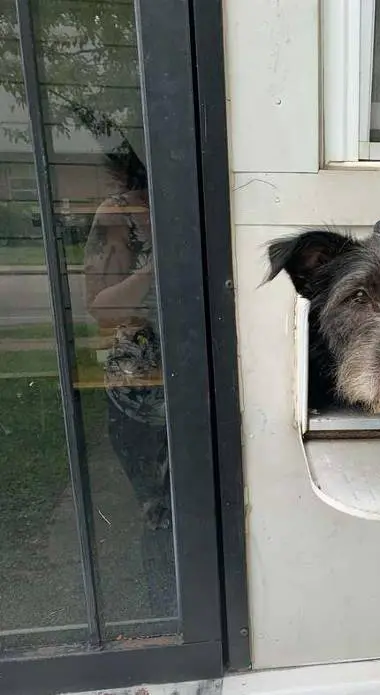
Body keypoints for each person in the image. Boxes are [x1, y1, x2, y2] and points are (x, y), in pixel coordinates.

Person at [84, 140, 175, 617]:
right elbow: (100, 307)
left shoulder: (180, 205)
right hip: (140, 393)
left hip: (195, 386)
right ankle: (167, 614)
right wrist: (159, 269)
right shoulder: (116, 215)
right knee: (159, 513)